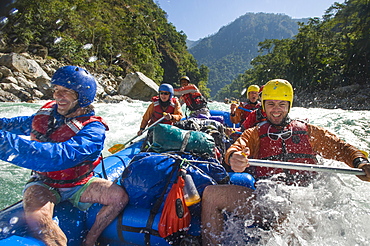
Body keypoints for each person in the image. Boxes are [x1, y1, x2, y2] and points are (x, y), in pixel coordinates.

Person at [201, 79, 370, 245]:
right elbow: (236, 148)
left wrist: (360, 163)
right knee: (211, 195)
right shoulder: (255, 133)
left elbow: (341, 148)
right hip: (267, 199)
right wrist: (234, 157)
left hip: (304, 201)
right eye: (271, 104)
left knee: (287, 217)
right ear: (264, 106)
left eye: (282, 104)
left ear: (289, 106)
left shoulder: (309, 132)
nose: (276, 110)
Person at [0, 66, 128, 246]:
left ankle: (90, 240)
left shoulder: (93, 130)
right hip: (43, 184)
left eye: (65, 92)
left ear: (82, 97)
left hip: (79, 184)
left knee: (119, 198)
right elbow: (15, 124)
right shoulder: (48, 115)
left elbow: (59, 156)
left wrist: (4, 144)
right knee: (42, 224)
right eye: (55, 90)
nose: (57, 96)